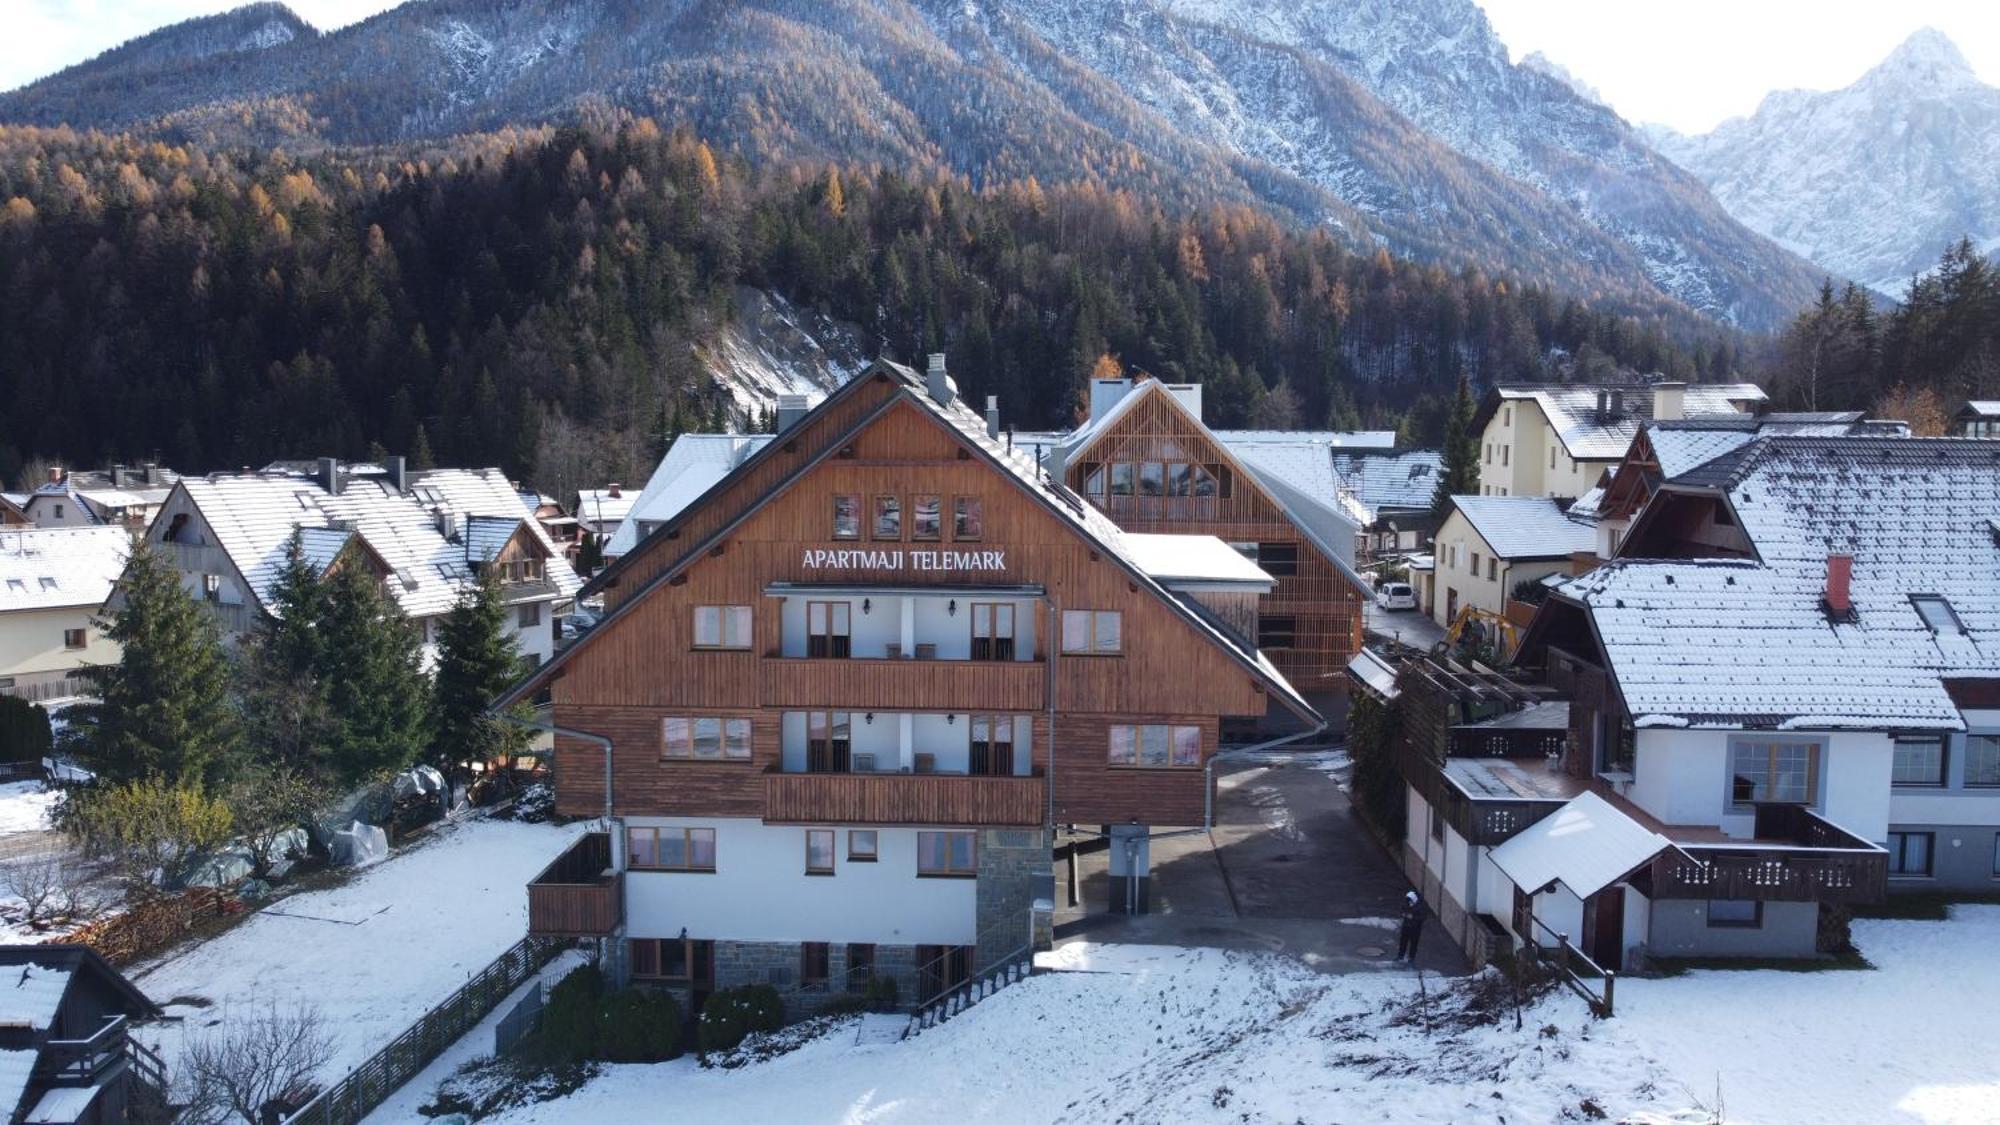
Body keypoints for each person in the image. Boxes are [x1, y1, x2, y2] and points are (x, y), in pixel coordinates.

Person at [1395, 890, 1425, 962]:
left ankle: (1411, 958)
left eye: (1410, 900)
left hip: (1415, 928)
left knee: (1413, 944)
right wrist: (1403, 914)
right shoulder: (1406, 904)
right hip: (1406, 926)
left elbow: (1422, 917)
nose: (1409, 902)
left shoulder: (1420, 907)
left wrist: (1413, 917)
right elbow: (1401, 910)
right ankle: (1400, 955)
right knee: (1403, 942)